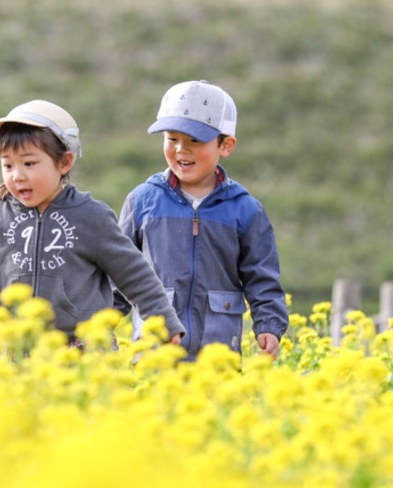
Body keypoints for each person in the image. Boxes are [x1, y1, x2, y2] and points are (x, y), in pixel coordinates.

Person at [0, 100, 185, 349]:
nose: (18, 175)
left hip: (85, 350)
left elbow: (134, 274)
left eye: (29, 163)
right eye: (8, 165)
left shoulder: (91, 216)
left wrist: (164, 322)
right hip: (20, 348)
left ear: (65, 162)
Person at [115, 80, 288, 361]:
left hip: (218, 356)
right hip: (154, 355)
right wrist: (97, 324)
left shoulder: (245, 210)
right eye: (172, 139)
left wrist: (269, 325)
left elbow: (262, 277)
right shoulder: (142, 201)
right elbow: (120, 271)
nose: (182, 149)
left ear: (227, 144)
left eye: (195, 140)